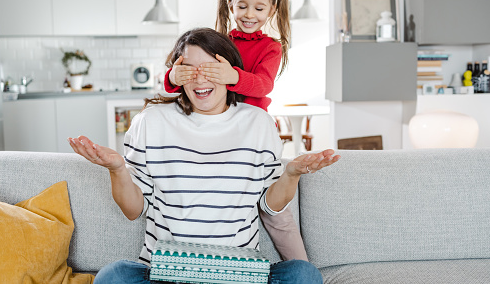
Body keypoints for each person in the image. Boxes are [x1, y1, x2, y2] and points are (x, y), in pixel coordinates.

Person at [68, 28, 339, 284]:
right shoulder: (150, 121)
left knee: (303, 274)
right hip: (166, 273)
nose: (200, 78)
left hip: (239, 274)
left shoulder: (258, 122)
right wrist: (117, 169)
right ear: (176, 75)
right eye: (189, 70)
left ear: (231, 71)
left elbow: (269, 205)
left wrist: (291, 174)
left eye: (211, 69)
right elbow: (133, 210)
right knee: (113, 276)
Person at [163, 0, 306, 262]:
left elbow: (264, 84)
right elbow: (186, 78)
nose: (249, 14)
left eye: (259, 7)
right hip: (220, 127)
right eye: (241, 6)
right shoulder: (219, 42)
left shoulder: (271, 47)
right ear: (230, 6)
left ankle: (302, 265)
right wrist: (172, 76)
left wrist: (233, 76)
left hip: (253, 133)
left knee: (276, 214)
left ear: (272, 9)